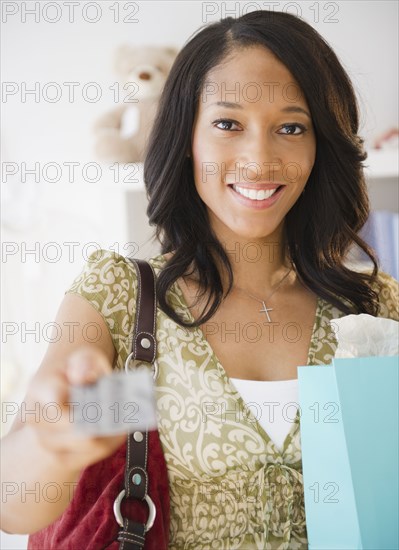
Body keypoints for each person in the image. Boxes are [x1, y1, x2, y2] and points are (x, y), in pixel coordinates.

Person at [1, 9, 398, 549]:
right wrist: (52, 443)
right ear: (186, 136)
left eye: (290, 127)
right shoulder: (126, 301)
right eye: (228, 124)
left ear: (320, 145)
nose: (259, 159)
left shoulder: (374, 310)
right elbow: (14, 504)